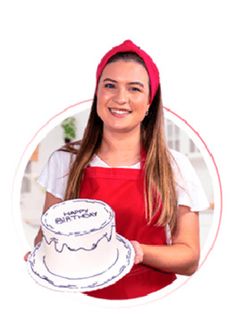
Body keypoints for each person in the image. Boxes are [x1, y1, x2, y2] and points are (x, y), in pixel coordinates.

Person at [25, 39, 209, 300]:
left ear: (149, 103)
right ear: (97, 93)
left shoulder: (174, 166)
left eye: (134, 89)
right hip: (82, 302)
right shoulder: (64, 161)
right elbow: (45, 239)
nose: (120, 98)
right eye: (110, 85)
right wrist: (43, 258)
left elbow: (189, 258)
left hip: (154, 301)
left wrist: (136, 251)